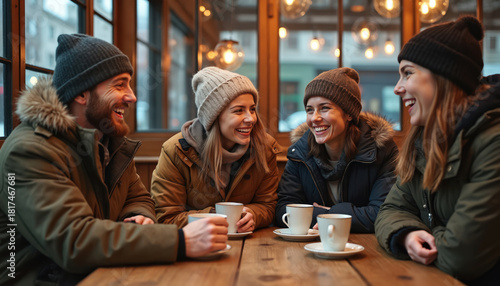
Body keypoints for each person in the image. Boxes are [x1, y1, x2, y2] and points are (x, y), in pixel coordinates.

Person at [0, 34, 228, 285]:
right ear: (81, 94)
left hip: (102, 273)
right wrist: (181, 241)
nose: (132, 96)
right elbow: (74, 241)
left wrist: (139, 217)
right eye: (119, 85)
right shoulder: (30, 151)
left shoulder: (108, 141)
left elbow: (138, 198)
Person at [374, 16, 500, 285]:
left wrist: (429, 231)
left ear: (444, 76)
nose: (398, 88)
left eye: (408, 73)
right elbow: (389, 210)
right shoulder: (422, 143)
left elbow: (460, 257)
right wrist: (407, 234)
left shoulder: (493, 141)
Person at [151, 66, 281, 232]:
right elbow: (166, 217)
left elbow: (268, 206)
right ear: (214, 117)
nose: (251, 119)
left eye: (252, 109)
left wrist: (254, 214)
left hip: (250, 247)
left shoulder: (265, 147)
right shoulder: (176, 151)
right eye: (239, 110)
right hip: (197, 248)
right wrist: (217, 217)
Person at [275, 67, 399, 233]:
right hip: (310, 248)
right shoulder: (300, 153)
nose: (315, 118)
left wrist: (328, 213)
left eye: (324, 108)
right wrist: (347, 214)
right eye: (309, 110)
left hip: (365, 249)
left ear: (348, 114)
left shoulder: (381, 151)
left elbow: (382, 214)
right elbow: (283, 211)